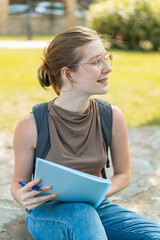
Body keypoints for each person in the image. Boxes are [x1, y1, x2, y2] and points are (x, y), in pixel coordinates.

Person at [11, 26, 160, 240]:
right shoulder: (31, 125)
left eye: (106, 58)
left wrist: (93, 194)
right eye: (96, 61)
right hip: (48, 212)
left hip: (97, 206)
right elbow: (18, 182)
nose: (107, 68)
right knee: (84, 216)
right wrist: (22, 196)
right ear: (68, 73)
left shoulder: (112, 117)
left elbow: (123, 175)